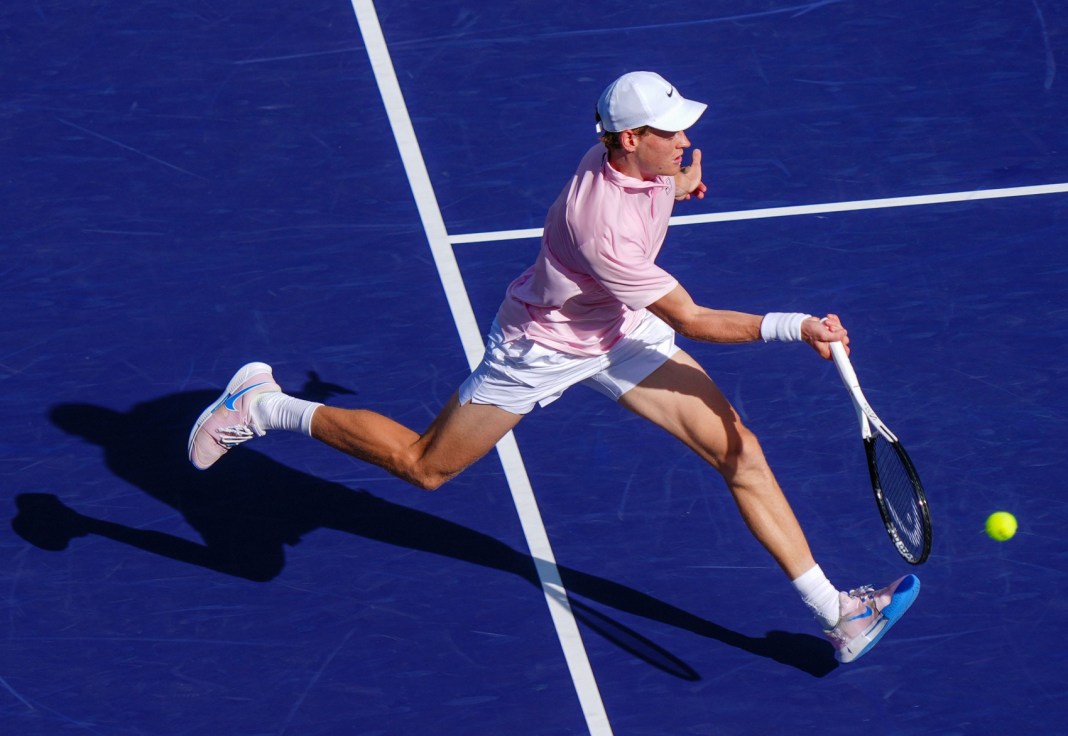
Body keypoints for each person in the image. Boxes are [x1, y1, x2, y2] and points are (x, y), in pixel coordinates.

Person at [188, 71, 919, 664]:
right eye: (670, 133)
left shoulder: (631, 161)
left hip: (618, 327)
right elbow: (695, 321)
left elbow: (653, 194)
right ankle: (261, 405)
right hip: (543, 348)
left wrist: (679, 184)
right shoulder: (601, 229)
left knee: (740, 451)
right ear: (629, 139)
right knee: (423, 466)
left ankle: (836, 614)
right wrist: (799, 326)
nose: (685, 140)